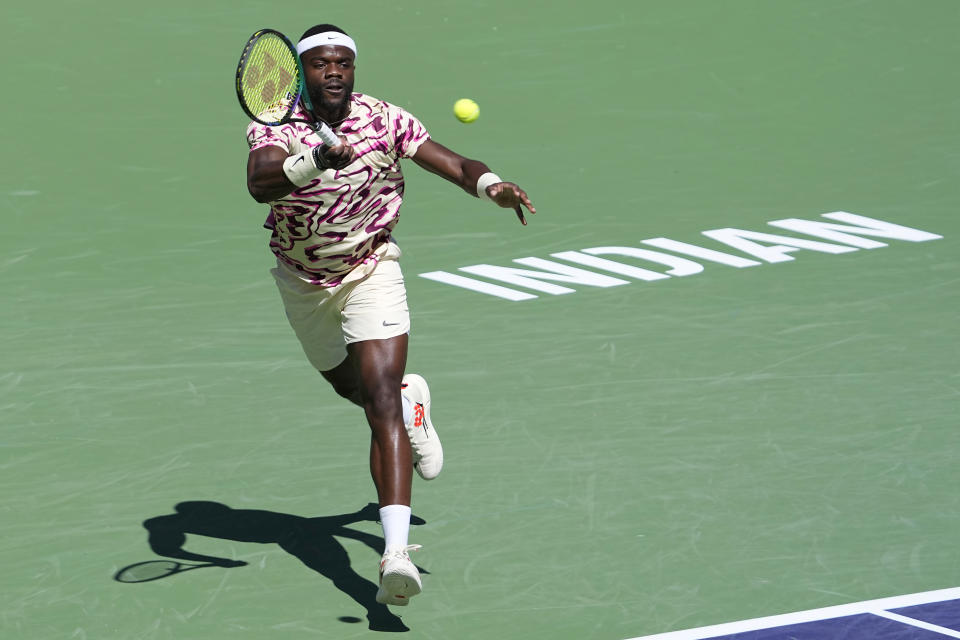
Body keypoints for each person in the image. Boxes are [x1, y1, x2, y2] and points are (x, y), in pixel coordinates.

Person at [244, 23, 535, 607]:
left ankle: (395, 555)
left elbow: (451, 163)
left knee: (379, 405)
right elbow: (260, 183)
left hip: (372, 267)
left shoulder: (384, 119)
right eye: (322, 63)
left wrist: (493, 185)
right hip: (303, 281)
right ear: (303, 70)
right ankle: (413, 403)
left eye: (343, 63)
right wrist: (315, 161)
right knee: (357, 391)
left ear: (353, 68)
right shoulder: (275, 123)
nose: (334, 72)